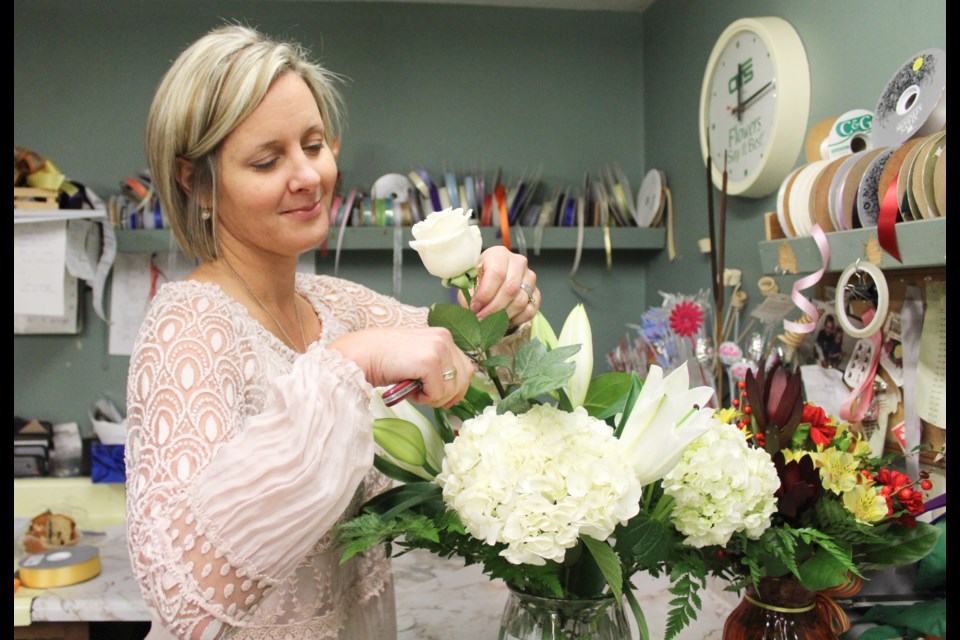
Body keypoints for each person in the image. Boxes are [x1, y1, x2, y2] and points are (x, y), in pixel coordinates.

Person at [125, 24, 541, 640]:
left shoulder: (337, 304)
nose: (307, 176)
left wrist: (505, 310)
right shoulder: (188, 327)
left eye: (314, 145)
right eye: (267, 160)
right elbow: (185, 596)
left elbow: (480, 382)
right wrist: (347, 364)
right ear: (196, 181)